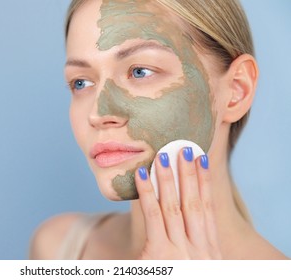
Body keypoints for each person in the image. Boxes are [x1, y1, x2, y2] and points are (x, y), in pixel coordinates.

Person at [30, 0, 288, 259]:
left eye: (140, 71)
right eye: (81, 82)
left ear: (236, 90)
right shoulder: (56, 247)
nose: (98, 114)